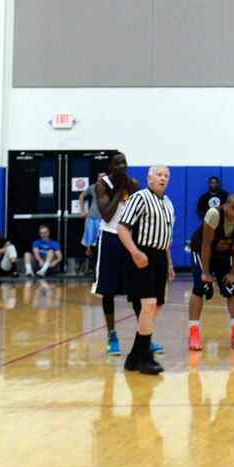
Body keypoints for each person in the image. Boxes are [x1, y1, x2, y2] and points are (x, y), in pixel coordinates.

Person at [111, 163, 175, 375]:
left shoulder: (168, 203)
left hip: (159, 257)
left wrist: (169, 264)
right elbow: (122, 228)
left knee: (156, 306)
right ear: (149, 178)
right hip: (141, 254)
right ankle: (145, 357)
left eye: (166, 175)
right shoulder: (139, 198)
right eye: (158, 174)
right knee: (148, 304)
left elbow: (166, 239)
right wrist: (135, 253)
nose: (162, 178)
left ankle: (134, 356)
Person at [189, 191, 234, 352]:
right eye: (232, 208)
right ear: (225, 206)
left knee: (233, 289)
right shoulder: (214, 214)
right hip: (201, 250)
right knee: (199, 288)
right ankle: (193, 334)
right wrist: (205, 272)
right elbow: (206, 244)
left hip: (224, 253)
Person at [94, 153, 139, 357]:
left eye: (124, 162)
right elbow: (107, 214)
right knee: (108, 290)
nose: (122, 165)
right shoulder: (102, 185)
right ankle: (112, 335)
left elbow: (139, 213)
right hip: (110, 237)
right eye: (118, 163)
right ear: (110, 166)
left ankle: (144, 336)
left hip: (129, 238)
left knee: (137, 289)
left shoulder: (134, 183)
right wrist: (120, 189)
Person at [79, 181, 101, 278]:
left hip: (104, 219)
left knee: (99, 244)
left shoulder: (110, 186)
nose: (101, 178)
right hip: (92, 217)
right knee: (89, 244)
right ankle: (89, 267)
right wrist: (82, 211)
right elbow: (81, 196)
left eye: (103, 176)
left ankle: (98, 268)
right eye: (99, 176)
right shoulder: (93, 187)